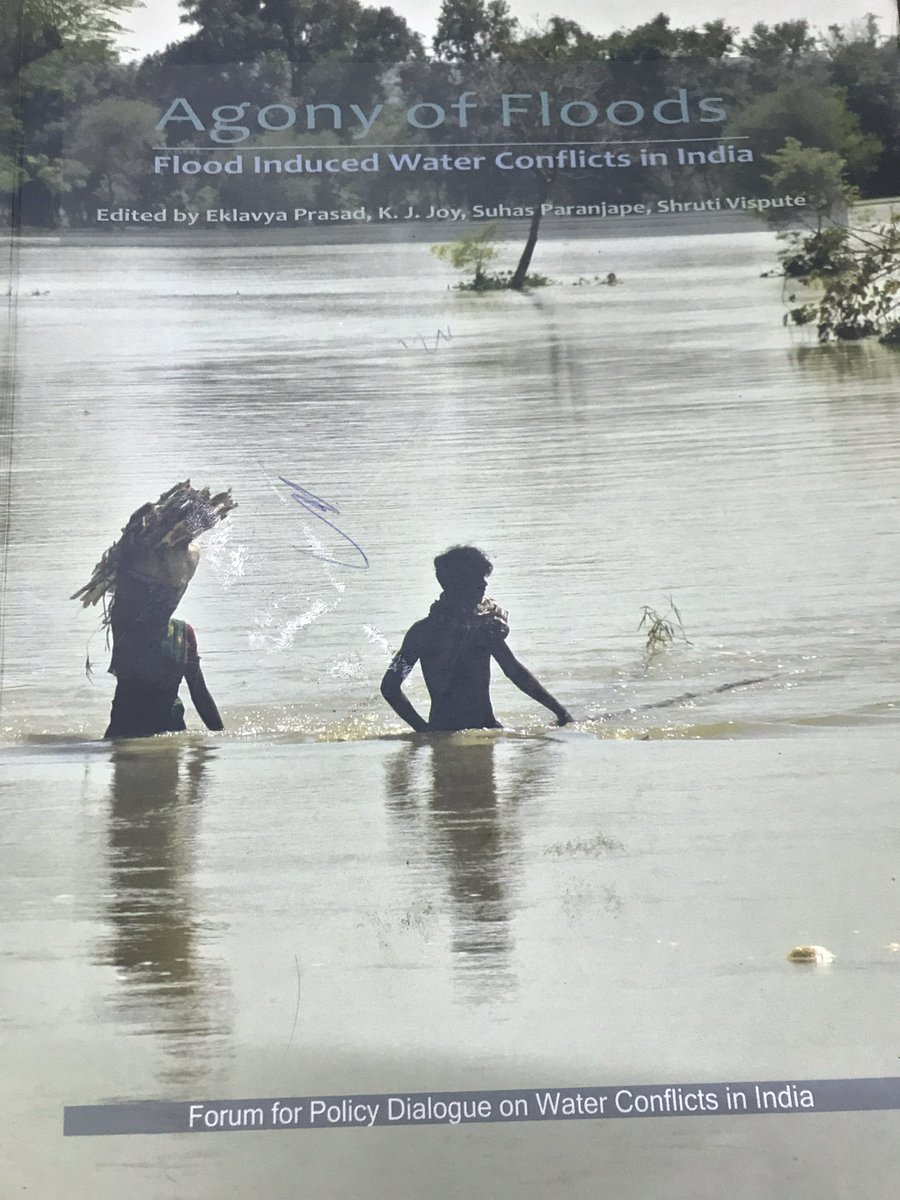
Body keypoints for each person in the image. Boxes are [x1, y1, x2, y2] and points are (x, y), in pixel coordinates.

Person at [72, 481, 233, 739]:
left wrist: (223, 741)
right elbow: (130, 572)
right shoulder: (129, 628)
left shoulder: (181, 634)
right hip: (129, 739)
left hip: (159, 741)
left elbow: (199, 693)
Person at [381, 545, 573, 732]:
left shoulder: (477, 628)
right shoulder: (429, 633)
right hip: (454, 731)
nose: (484, 585)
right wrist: (422, 730)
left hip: (475, 729)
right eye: (477, 579)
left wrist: (561, 713)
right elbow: (390, 687)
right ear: (458, 585)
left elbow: (515, 672)